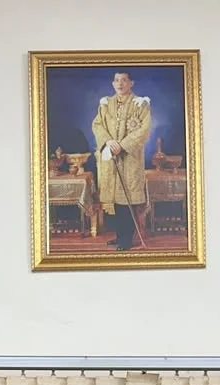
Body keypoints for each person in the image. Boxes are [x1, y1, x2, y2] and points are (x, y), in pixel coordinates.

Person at [91, 70, 152, 251]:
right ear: (113, 83)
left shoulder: (140, 104)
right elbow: (97, 125)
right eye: (117, 80)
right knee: (116, 200)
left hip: (130, 158)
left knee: (128, 198)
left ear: (131, 83)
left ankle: (127, 240)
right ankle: (120, 236)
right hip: (111, 157)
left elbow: (145, 129)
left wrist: (123, 145)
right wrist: (108, 142)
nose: (120, 84)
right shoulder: (106, 104)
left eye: (124, 80)